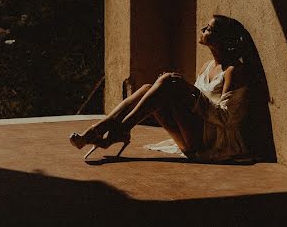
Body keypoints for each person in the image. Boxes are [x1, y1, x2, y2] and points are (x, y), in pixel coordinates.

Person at [68, 14, 263, 162]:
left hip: (214, 143)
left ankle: (121, 129)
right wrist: (169, 88)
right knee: (147, 88)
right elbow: (192, 105)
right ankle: (100, 129)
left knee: (170, 81)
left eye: (209, 29)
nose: (202, 29)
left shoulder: (234, 71)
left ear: (222, 40)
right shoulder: (207, 66)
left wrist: (188, 91)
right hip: (191, 138)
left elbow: (228, 119)